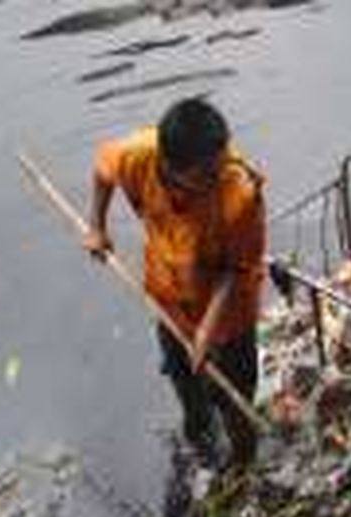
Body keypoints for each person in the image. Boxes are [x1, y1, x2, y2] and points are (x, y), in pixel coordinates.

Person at [84, 97, 266, 466]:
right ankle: (199, 435)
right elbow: (104, 170)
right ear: (170, 166)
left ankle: (243, 463)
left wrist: (207, 331)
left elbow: (237, 269)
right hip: (169, 299)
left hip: (228, 313)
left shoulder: (239, 194)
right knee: (184, 380)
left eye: (219, 166)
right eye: (205, 176)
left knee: (235, 399)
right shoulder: (138, 155)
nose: (216, 178)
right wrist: (97, 227)